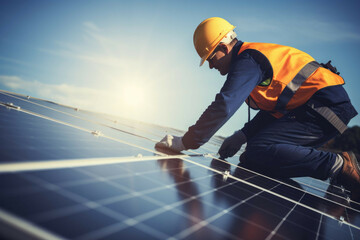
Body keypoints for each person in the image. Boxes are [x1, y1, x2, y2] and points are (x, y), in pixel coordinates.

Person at [155, 17, 359, 198]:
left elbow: (224, 104)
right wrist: (242, 134)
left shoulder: (248, 60)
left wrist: (187, 142)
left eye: (210, 58)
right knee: (252, 159)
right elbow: (276, 112)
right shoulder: (253, 58)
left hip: (324, 108)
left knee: (258, 150)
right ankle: (335, 167)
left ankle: (340, 165)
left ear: (224, 48)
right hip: (315, 109)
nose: (210, 65)